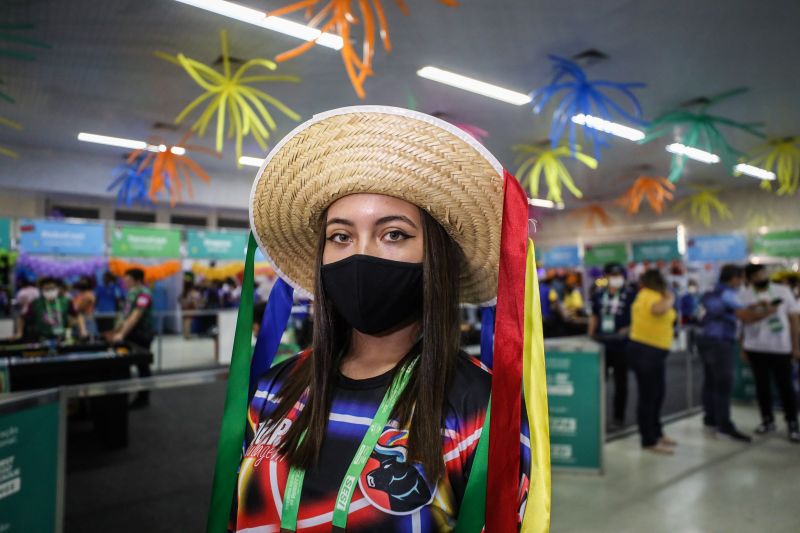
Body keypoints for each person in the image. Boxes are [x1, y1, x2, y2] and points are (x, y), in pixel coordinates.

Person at [228, 107, 538, 532]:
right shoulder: (274, 388)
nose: (361, 255)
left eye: (394, 234)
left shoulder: (480, 407)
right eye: (340, 236)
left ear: (436, 258)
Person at [697, 265, 776, 442]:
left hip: (705, 339)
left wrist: (755, 306)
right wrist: (768, 312)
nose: (742, 282)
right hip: (720, 341)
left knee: (710, 381)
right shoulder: (728, 293)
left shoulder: (713, 291)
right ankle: (724, 427)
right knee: (723, 385)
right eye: (741, 278)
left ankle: (710, 419)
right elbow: (744, 315)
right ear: (734, 278)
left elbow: (736, 307)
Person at [740, 264, 800, 443]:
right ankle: (767, 420)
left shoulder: (782, 291)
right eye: (757, 275)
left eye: (763, 273)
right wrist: (743, 347)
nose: (762, 277)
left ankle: (792, 423)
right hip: (755, 347)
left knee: (786, 387)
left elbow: (794, 319)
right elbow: (742, 322)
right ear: (750, 278)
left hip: (781, 348)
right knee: (762, 387)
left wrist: (795, 346)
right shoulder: (745, 295)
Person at [627, 269, 677, 455]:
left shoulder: (649, 295)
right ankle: (648, 439)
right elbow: (657, 310)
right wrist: (670, 298)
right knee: (648, 397)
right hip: (646, 351)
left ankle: (656, 432)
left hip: (654, 352)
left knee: (657, 394)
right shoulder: (649, 295)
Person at [588, 263, 635, 428]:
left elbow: (637, 316)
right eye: (612, 275)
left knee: (621, 383)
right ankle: (596, 417)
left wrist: (629, 329)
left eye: (618, 275)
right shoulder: (599, 295)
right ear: (606, 277)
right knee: (597, 383)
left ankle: (618, 418)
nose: (615, 278)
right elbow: (594, 316)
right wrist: (590, 334)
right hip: (601, 343)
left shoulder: (630, 295)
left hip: (621, 344)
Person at [112, 268, 154, 408]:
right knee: (125, 365)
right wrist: (117, 330)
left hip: (141, 335)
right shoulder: (131, 293)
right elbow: (125, 314)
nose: (125, 282)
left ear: (138, 280)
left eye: (128, 280)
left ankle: (143, 398)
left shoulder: (144, 294)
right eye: (124, 280)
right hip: (129, 333)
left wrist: (121, 334)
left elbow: (136, 316)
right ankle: (123, 396)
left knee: (143, 366)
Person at [23, 277, 87, 341]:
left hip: (61, 337)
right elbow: (23, 317)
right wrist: (19, 333)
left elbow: (78, 315)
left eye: (52, 288)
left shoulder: (65, 301)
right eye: (46, 289)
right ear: (41, 290)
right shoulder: (35, 303)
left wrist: (83, 330)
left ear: (57, 288)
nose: (50, 291)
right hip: (41, 338)